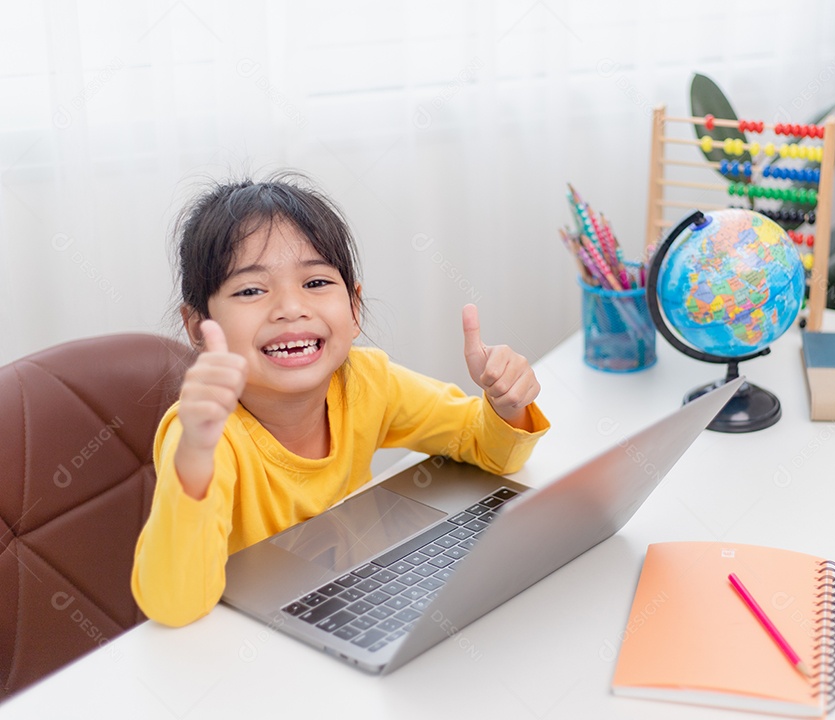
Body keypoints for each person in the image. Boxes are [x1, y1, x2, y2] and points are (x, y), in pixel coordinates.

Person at [132, 174, 549, 627]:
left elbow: (487, 447)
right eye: (251, 290)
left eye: (315, 282)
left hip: (351, 607)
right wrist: (194, 458)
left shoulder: (365, 381)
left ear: (354, 308)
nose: (290, 308)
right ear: (197, 327)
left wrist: (505, 403)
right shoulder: (201, 437)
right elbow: (174, 605)